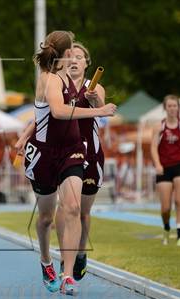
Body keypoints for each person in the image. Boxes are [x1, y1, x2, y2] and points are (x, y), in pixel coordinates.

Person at [15, 31, 116, 295]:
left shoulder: (78, 82)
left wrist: (97, 103)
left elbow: (86, 104)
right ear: (66, 54)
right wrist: (99, 110)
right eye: (73, 51)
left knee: (72, 207)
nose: (75, 57)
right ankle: (46, 260)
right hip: (45, 155)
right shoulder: (48, 79)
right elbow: (57, 112)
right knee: (46, 218)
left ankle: (68, 275)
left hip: (73, 151)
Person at [55, 41, 106, 280]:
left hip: (91, 155)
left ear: (87, 63)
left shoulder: (93, 87)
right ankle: (66, 257)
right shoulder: (58, 85)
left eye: (79, 57)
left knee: (83, 213)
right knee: (65, 209)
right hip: (63, 154)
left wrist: (94, 100)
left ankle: (81, 251)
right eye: (70, 56)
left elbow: (102, 108)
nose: (74, 60)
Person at [150, 95, 180, 246]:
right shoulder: (159, 126)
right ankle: (166, 226)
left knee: (179, 201)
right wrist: (157, 164)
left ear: (178, 108)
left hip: (179, 166)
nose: (173, 109)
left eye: (175, 106)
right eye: (170, 106)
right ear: (165, 108)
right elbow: (153, 147)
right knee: (166, 207)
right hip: (164, 167)